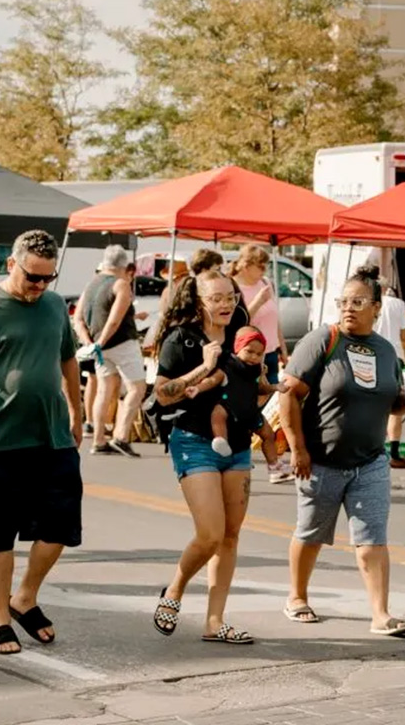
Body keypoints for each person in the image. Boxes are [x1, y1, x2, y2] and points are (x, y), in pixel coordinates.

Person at [0, 229, 82, 656]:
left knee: (62, 526)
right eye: (32, 277)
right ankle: (0, 620)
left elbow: (68, 358)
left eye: (48, 278)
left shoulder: (55, 306)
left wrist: (77, 411)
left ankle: (24, 596)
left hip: (53, 434)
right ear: (12, 265)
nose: (40, 286)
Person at [279, 267, 405, 637]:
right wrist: (298, 449)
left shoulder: (385, 351)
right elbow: (288, 393)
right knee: (311, 533)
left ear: (377, 307)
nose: (348, 308)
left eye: (358, 302)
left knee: (372, 539)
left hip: (370, 461)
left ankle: (381, 614)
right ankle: (297, 596)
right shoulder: (325, 339)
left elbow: (391, 403)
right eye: (343, 302)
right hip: (320, 459)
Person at [149, 271, 256, 645]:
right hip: (193, 440)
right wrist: (203, 366)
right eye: (216, 299)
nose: (227, 304)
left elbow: (256, 373)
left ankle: (214, 621)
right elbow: (163, 395)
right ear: (199, 303)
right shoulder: (180, 340)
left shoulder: (243, 329)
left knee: (229, 535)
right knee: (210, 533)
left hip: (238, 442)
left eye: (231, 296)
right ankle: (175, 589)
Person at [188, 326, 291, 478]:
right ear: (238, 348)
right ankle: (220, 440)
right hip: (230, 407)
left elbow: (260, 388)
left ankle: (274, 464)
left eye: (258, 354)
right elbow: (212, 380)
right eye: (249, 351)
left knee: (268, 434)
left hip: (250, 411)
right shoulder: (228, 367)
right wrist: (197, 388)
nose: (254, 357)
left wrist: (275, 387)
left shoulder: (257, 370)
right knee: (217, 413)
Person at [73, 244, 146, 458]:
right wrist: (102, 341)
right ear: (124, 265)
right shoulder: (121, 285)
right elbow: (115, 319)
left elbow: (78, 319)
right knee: (137, 388)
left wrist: (91, 344)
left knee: (104, 391)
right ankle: (120, 437)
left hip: (99, 348)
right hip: (122, 344)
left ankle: (98, 440)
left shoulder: (91, 285)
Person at [368, 267, 405, 469]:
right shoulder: (398, 304)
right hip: (395, 356)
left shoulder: (369, 304)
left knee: (371, 403)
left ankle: (373, 448)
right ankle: (394, 452)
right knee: (395, 406)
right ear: (388, 288)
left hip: (371, 355)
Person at [229, 245, 288, 383]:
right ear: (246, 265)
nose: (264, 270)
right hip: (248, 355)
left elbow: (274, 319)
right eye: (260, 267)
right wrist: (258, 301)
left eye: (266, 266)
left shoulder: (265, 282)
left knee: (271, 396)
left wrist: (283, 348)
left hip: (270, 352)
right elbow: (237, 322)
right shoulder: (233, 287)